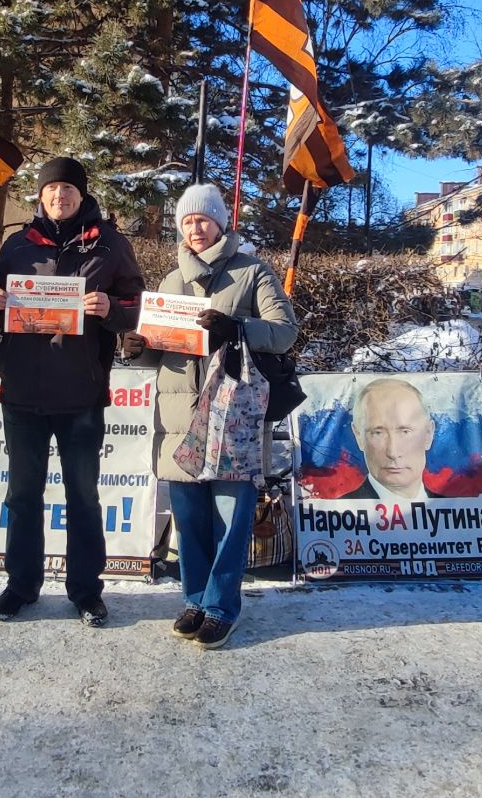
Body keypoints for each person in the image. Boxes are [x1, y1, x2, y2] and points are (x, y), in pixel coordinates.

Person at [123, 182, 296, 650]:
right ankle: (195, 599)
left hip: (231, 417)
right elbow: (160, 354)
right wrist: (139, 350)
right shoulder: (170, 282)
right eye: (187, 221)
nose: (195, 229)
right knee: (190, 519)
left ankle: (221, 606)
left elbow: (284, 333)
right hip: (179, 414)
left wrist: (235, 328)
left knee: (230, 518)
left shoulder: (253, 271)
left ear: (221, 221)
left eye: (203, 219)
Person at [0, 157, 144, 627]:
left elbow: (138, 306)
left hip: (81, 395)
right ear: (41, 195)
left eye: (68, 189)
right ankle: (21, 585)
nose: (60, 197)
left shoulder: (110, 243)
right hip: (23, 393)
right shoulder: (17, 244)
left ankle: (86, 590)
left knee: (83, 496)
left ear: (81, 195)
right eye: (52, 190)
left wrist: (113, 307)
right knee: (23, 495)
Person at [345, 378, 444, 502]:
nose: (393, 452)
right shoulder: (335, 514)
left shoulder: (456, 510)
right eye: (378, 433)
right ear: (358, 436)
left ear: (428, 434)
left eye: (405, 432)